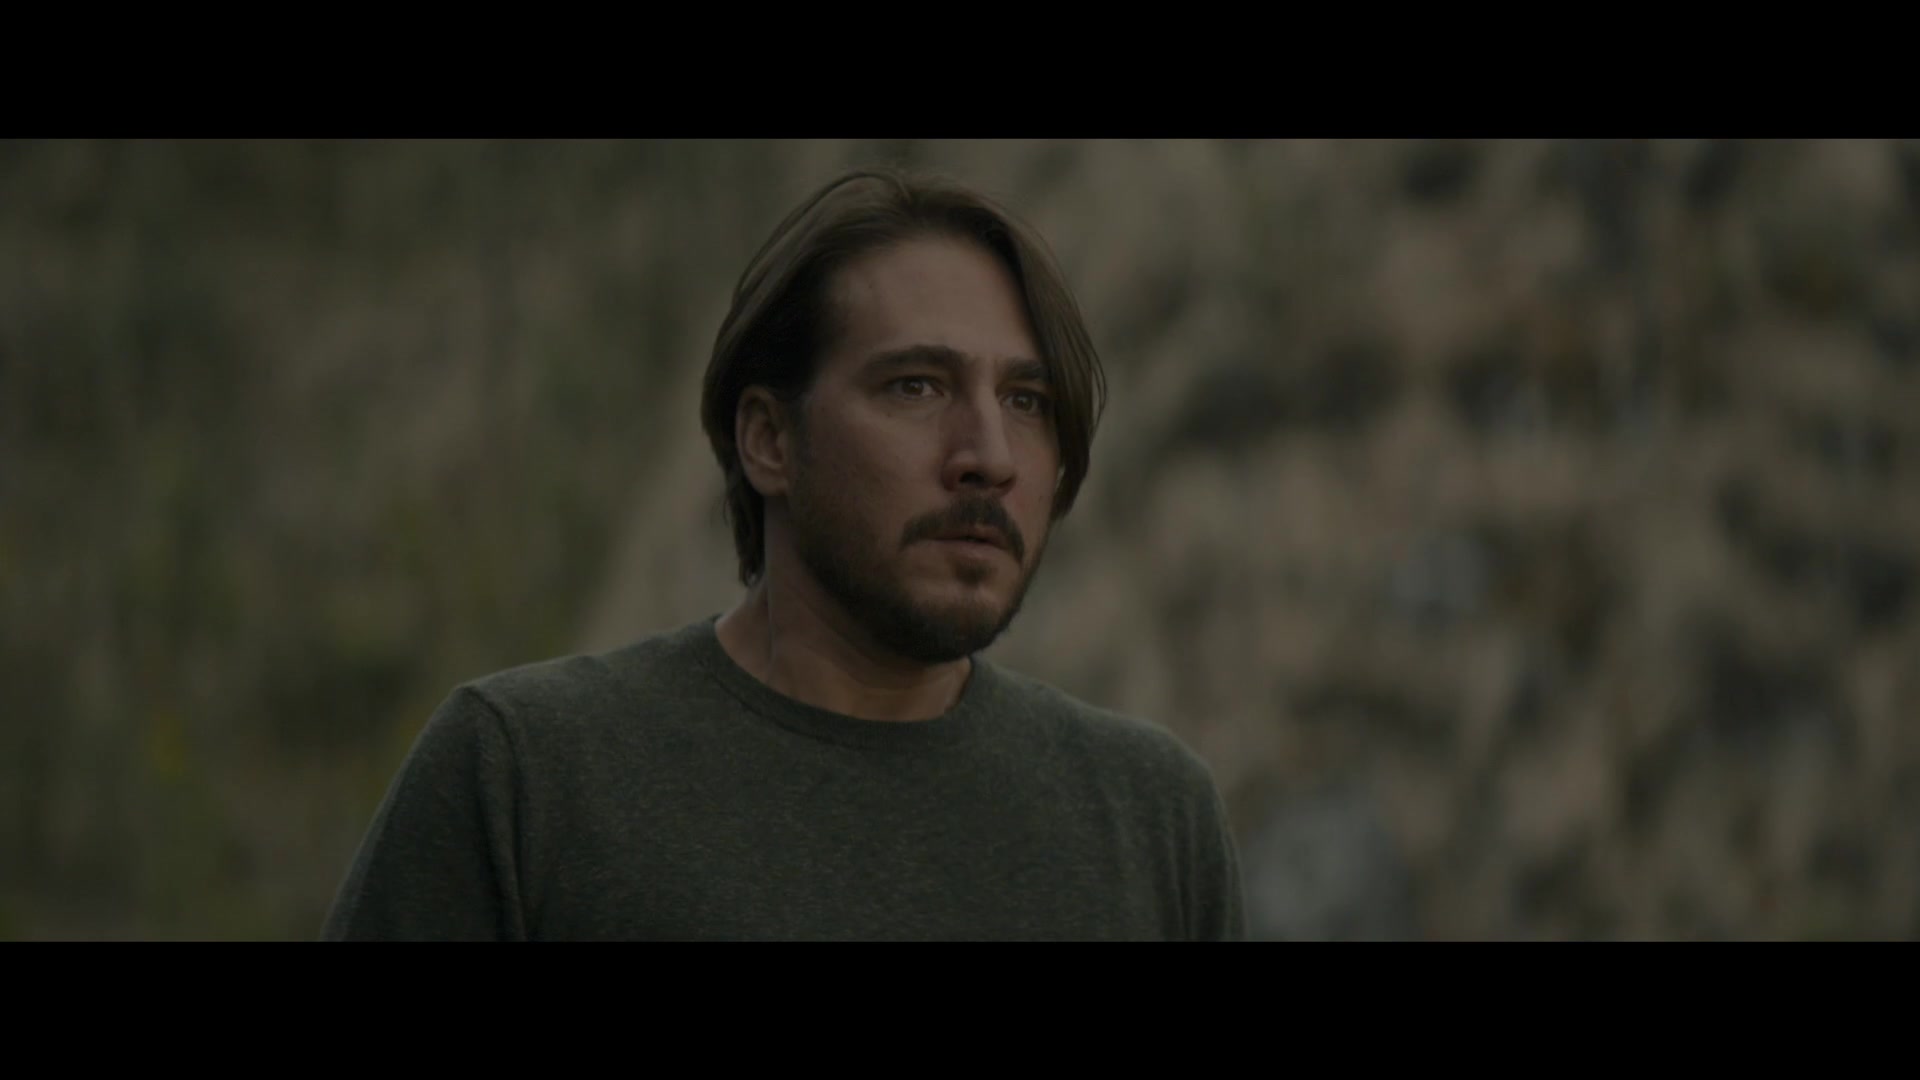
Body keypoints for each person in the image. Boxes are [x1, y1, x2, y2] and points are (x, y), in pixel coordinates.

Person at [322, 167, 1245, 940]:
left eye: (1026, 402)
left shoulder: (1152, 817)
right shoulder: (525, 775)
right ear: (768, 439)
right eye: (916, 386)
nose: (989, 457)